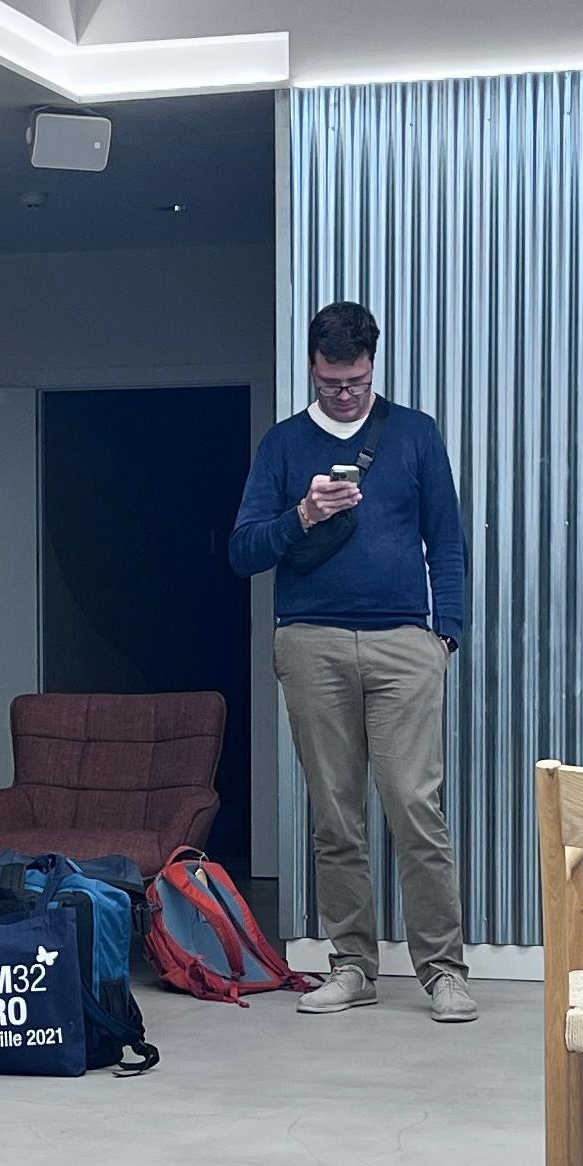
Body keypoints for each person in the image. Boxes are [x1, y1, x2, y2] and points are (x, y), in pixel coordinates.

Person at [228, 301, 475, 1023]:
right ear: (313, 367)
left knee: (415, 807)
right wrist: (304, 515)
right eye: (332, 383)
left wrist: (445, 635)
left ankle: (443, 970)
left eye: (357, 382)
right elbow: (243, 551)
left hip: (405, 642)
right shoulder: (283, 445)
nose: (345, 395)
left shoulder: (415, 434)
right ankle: (353, 965)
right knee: (335, 815)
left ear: (373, 366)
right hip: (311, 641)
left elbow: (447, 541)